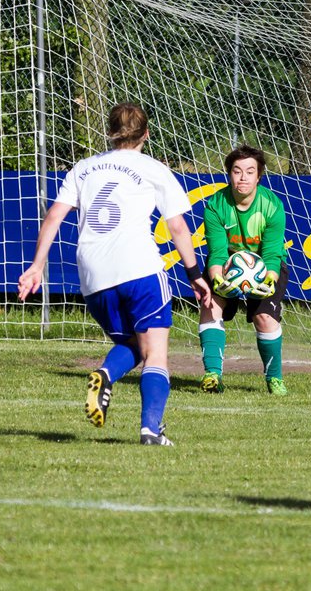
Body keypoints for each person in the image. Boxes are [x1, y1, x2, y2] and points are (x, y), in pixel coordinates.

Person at [17, 103, 212, 446]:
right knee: (156, 353)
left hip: (94, 275)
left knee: (132, 344)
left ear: (109, 132)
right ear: (146, 134)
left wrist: (36, 266)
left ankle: (106, 373)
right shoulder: (153, 168)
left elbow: (52, 218)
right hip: (139, 268)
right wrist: (194, 272)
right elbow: (178, 226)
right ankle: (151, 429)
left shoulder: (83, 168)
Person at [198, 144, 289, 395]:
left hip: (266, 266)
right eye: (237, 171)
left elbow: (271, 252)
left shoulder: (272, 206)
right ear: (229, 174)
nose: (243, 177)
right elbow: (216, 252)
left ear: (259, 175)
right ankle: (212, 376)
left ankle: (274, 379)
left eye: (250, 172)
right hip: (227, 264)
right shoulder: (215, 205)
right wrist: (217, 279)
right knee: (210, 306)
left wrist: (269, 279)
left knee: (264, 318)